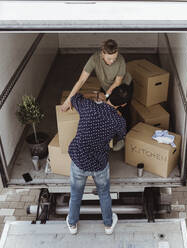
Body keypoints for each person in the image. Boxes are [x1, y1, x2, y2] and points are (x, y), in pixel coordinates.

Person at [65, 84, 131, 235]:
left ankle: (72, 224)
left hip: (79, 159)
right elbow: (121, 137)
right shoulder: (119, 121)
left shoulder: (88, 107)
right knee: (103, 193)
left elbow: (75, 97)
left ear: (109, 93)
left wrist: (95, 95)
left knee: (76, 194)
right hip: (99, 163)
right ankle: (108, 225)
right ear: (124, 104)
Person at [61, 39, 133, 150]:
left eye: (115, 58)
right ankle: (109, 134)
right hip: (106, 87)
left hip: (122, 88)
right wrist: (68, 100)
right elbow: (81, 80)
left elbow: (117, 83)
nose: (113, 61)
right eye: (109, 59)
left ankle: (122, 138)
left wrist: (107, 95)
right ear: (102, 53)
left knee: (123, 111)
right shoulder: (94, 59)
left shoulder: (121, 60)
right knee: (105, 110)